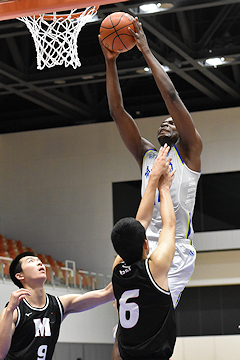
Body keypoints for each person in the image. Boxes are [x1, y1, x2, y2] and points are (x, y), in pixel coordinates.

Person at [100, 17, 203, 309]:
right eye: (162, 122)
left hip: (176, 249)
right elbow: (117, 111)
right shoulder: (146, 154)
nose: (165, 123)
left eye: (172, 122)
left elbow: (171, 95)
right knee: (127, 327)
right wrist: (110, 62)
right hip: (141, 247)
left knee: (156, 320)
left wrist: (145, 49)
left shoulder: (191, 152)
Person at [111, 144, 176, 360]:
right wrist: (163, 187)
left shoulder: (117, 268)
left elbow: (143, 222)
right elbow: (166, 226)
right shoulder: (154, 268)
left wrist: (154, 179)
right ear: (146, 244)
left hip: (128, 354)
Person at [0, 252, 114, 360]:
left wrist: (125, 265)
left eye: (39, 261)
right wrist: (10, 309)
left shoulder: (58, 305)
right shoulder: (13, 311)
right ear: (20, 276)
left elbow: (106, 294)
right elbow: (0, 353)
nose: (40, 263)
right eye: (31, 261)